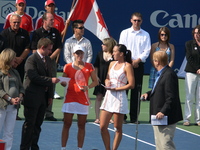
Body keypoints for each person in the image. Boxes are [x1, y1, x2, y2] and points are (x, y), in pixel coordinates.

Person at [20, 38, 60, 150]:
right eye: (49, 49)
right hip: (32, 97)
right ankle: (24, 147)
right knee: (29, 125)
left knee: (38, 125)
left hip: (43, 98)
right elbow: (33, 77)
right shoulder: (31, 60)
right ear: (42, 47)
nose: (50, 52)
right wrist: (50, 80)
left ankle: (34, 147)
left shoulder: (48, 60)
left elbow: (51, 75)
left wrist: (50, 96)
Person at [141, 50, 183, 150]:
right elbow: (159, 89)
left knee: (165, 144)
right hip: (158, 115)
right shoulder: (161, 73)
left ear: (157, 62)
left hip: (166, 117)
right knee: (159, 144)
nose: (153, 62)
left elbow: (171, 96)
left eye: (154, 60)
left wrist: (163, 111)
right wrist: (148, 94)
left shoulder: (169, 75)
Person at [60, 45, 98, 150]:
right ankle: (63, 148)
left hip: (83, 99)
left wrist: (87, 87)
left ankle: (79, 148)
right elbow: (63, 81)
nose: (79, 55)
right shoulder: (67, 67)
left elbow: (96, 81)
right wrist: (63, 83)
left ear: (84, 54)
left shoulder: (89, 66)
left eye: (81, 53)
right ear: (73, 54)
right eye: (77, 53)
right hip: (70, 99)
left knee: (81, 125)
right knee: (67, 124)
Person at [100, 44, 135, 150]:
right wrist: (107, 82)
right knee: (102, 127)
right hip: (109, 97)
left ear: (121, 54)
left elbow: (131, 84)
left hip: (119, 98)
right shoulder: (111, 64)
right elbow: (107, 77)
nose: (113, 53)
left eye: (115, 51)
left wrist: (116, 89)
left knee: (117, 128)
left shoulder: (127, 66)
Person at [119, 12, 151, 124]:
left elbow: (147, 50)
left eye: (139, 20)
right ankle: (122, 117)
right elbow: (122, 48)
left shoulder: (146, 34)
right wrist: (129, 61)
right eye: (135, 20)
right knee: (123, 91)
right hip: (126, 65)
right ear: (131, 20)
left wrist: (138, 60)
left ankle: (134, 117)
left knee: (136, 91)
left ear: (141, 21)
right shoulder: (125, 33)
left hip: (139, 65)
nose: (136, 22)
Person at [31, 12, 62, 121]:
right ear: (44, 21)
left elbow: (58, 47)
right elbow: (34, 48)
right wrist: (39, 59)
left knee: (51, 85)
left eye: (53, 20)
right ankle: (36, 110)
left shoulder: (56, 32)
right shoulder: (37, 33)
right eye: (51, 20)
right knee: (38, 84)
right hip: (38, 62)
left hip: (51, 62)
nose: (53, 21)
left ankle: (48, 113)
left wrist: (50, 58)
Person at [1, 13, 30, 120]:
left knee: (18, 87)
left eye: (18, 22)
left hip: (20, 65)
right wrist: (11, 61)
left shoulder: (25, 33)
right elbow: (3, 51)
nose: (16, 24)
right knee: (5, 87)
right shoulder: (4, 34)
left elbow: (28, 48)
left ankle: (15, 112)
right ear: (10, 22)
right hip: (7, 66)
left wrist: (19, 59)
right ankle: (3, 108)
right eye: (14, 22)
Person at [0, 48, 24, 150]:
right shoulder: (0, 72)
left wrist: (20, 97)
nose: (16, 60)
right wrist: (9, 99)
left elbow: (21, 87)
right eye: (14, 58)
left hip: (13, 107)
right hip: (2, 106)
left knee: (9, 132)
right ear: (8, 58)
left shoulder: (15, 72)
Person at [93, 37, 117, 124]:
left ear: (109, 45)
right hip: (100, 78)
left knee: (109, 98)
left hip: (110, 79)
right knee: (99, 97)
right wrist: (96, 77)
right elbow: (96, 66)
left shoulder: (114, 56)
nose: (102, 45)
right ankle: (97, 117)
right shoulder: (99, 54)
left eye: (104, 44)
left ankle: (108, 117)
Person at [183, 25, 200, 126]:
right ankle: (187, 119)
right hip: (191, 72)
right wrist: (197, 68)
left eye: (198, 33)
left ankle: (198, 119)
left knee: (199, 97)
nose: (197, 35)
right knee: (189, 96)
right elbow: (189, 58)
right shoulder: (188, 44)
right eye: (195, 33)